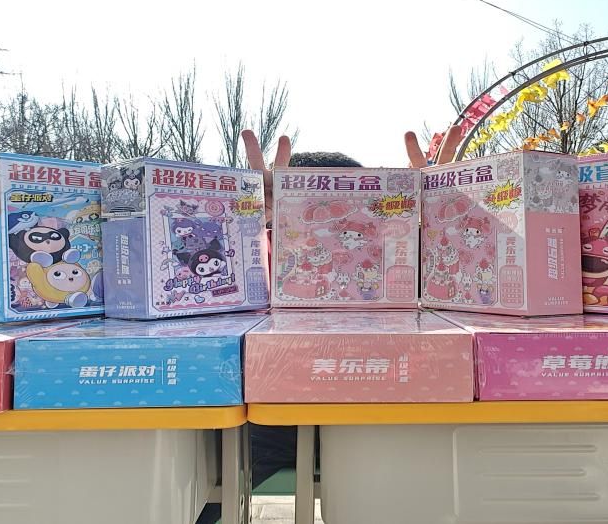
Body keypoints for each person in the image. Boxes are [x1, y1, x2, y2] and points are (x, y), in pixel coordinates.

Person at [196, 127, 464, 523]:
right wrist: (254, 220)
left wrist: (442, 220)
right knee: (203, 479)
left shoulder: (402, 256)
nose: (337, 230)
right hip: (279, 411)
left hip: (384, 403)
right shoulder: (255, 258)